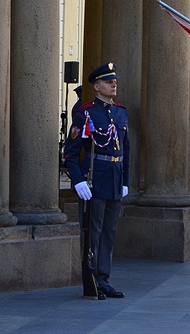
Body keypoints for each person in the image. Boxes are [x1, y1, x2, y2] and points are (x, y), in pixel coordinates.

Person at [63, 62, 129, 300]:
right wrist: (78, 180)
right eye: (108, 82)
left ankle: (104, 279)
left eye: (114, 81)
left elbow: (126, 150)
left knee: (109, 232)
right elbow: (70, 153)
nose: (114, 85)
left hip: (114, 176)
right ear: (96, 86)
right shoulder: (86, 112)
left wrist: (125, 179)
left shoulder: (121, 112)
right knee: (93, 231)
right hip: (94, 176)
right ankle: (90, 279)